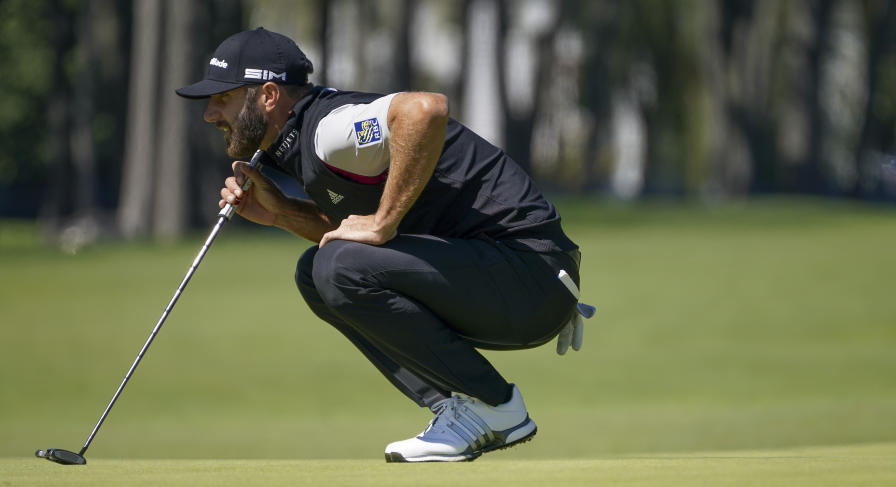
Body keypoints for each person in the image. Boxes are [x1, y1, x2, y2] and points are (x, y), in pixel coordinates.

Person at [176, 27, 589, 462]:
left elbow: (426, 110)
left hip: (530, 277)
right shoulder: (292, 143)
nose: (210, 114)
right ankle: (464, 409)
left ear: (268, 95)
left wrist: (383, 223)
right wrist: (282, 213)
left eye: (223, 98)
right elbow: (356, 250)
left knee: (334, 268)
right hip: (508, 275)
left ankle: (494, 405)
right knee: (317, 273)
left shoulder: (329, 129)